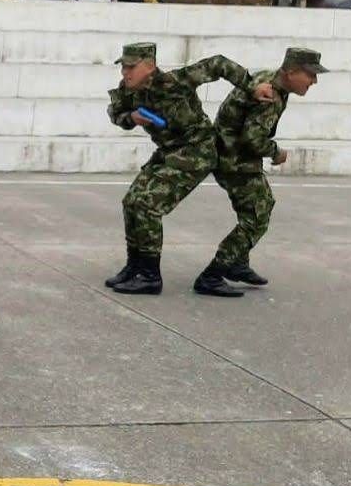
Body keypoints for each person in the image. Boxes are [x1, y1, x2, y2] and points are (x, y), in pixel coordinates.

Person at [105, 41, 276, 296]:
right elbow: (115, 113)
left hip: (196, 152)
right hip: (168, 152)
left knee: (147, 205)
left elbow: (218, 64)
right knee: (131, 202)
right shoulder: (128, 91)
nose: (125, 73)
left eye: (131, 67)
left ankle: (151, 276)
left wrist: (251, 86)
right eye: (123, 67)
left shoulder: (176, 81)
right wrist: (131, 118)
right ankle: (136, 266)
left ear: (150, 67)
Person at [193, 46, 326, 296]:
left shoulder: (269, 79)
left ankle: (238, 263)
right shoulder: (270, 95)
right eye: (310, 75)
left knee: (255, 209)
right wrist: (276, 152)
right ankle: (213, 273)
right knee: (257, 214)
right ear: (292, 72)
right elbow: (252, 139)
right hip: (234, 159)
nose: (314, 81)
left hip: (229, 153)